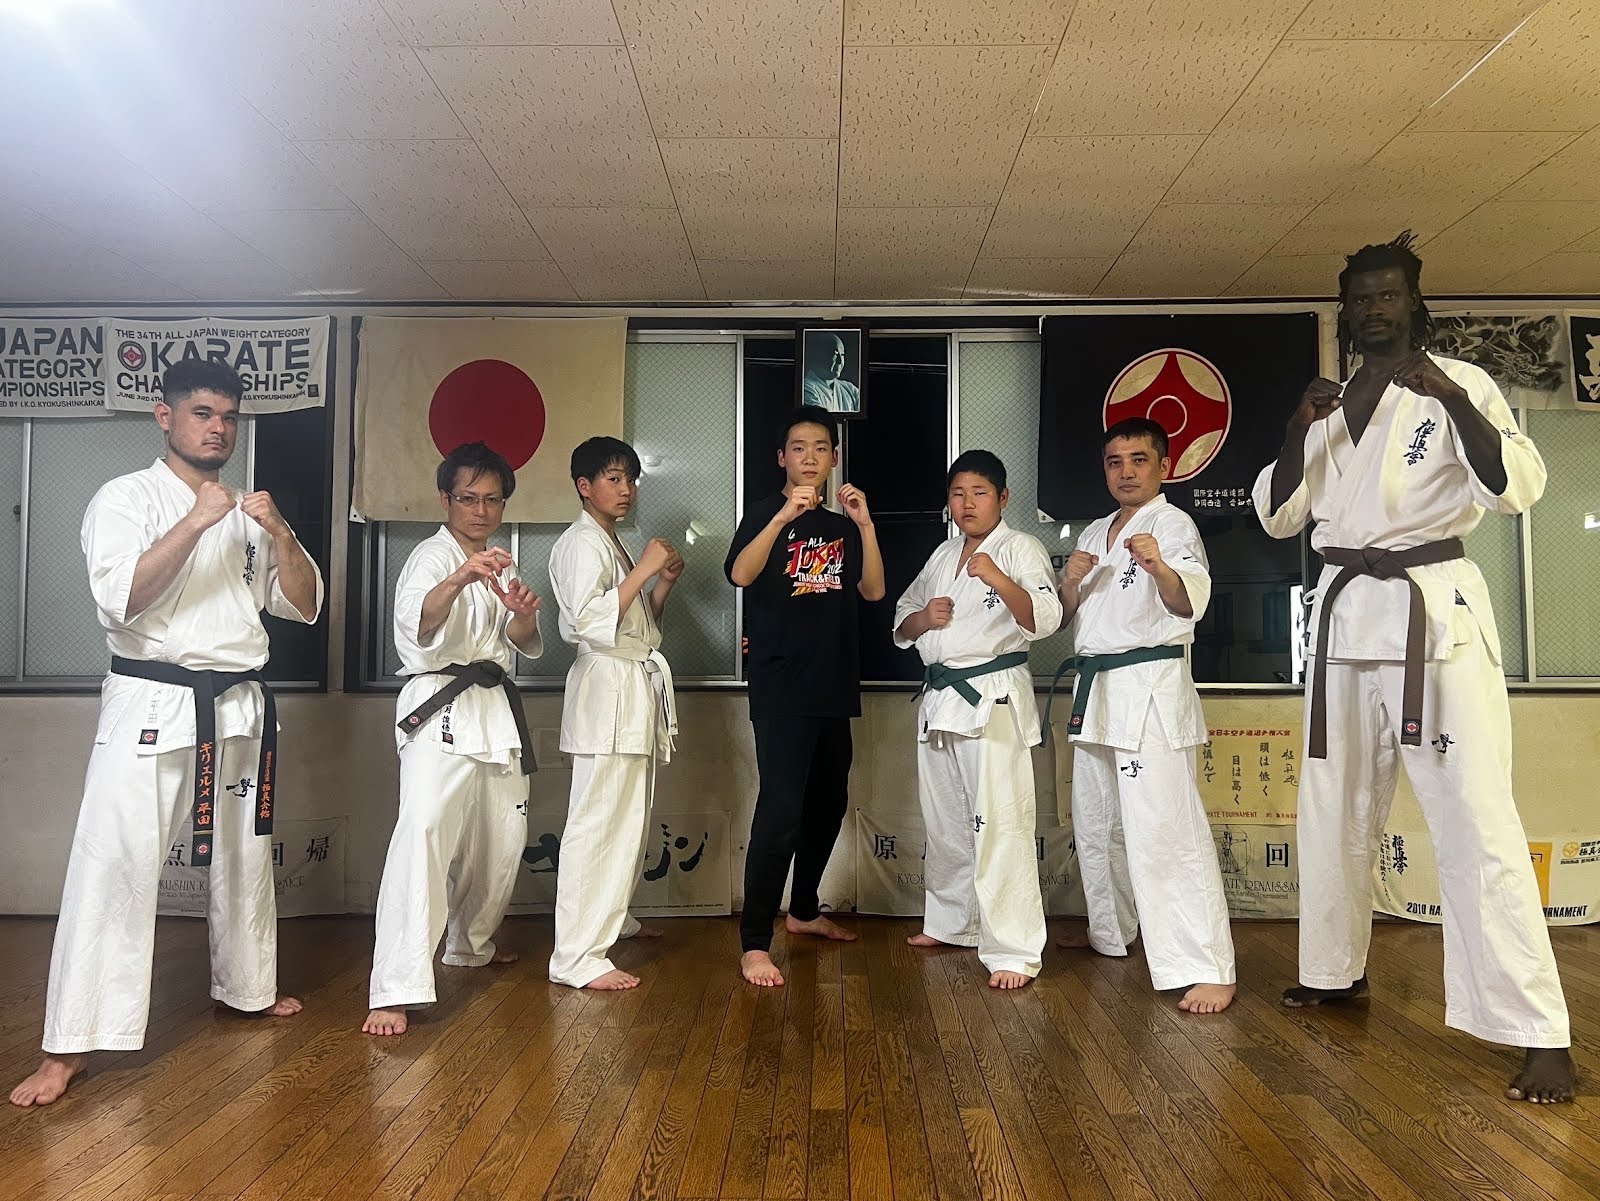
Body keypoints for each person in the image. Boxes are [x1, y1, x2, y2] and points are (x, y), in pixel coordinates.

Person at [1253, 233, 1575, 1102]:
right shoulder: (1327, 403)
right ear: (1345, 309)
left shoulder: (1460, 383)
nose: (1374, 308)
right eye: (1360, 297)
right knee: (1332, 807)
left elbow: (1517, 488)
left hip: (1432, 620)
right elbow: (1279, 514)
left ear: (1414, 303)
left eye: (1388, 293)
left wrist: (1455, 404)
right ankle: (1333, 971)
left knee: (1475, 815)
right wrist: (1295, 427)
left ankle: (1538, 1027)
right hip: (1342, 619)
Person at [10, 359, 322, 1107]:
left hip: (238, 703)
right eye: (203, 413)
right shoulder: (124, 498)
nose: (218, 428)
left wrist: (280, 533)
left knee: (245, 858)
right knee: (113, 864)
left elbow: (306, 604)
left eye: (228, 417)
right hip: (153, 700)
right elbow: (122, 599)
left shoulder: (251, 511)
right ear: (164, 416)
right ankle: (69, 1045)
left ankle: (248, 989)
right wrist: (195, 520)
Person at [1054, 418, 1237, 1014]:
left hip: (1149, 686)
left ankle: (1207, 965)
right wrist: (1069, 582)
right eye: (1115, 461)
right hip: (1097, 688)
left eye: (1139, 459)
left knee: (1166, 828)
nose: (1126, 471)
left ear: (1164, 466)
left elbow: (1187, 603)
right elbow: (1067, 616)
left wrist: (1160, 567)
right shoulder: (1096, 530)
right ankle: (1111, 930)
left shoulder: (1173, 524)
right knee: (1097, 821)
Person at [363, 442, 542, 1036]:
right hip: (440, 701)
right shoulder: (429, 557)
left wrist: (522, 614)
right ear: (446, 500)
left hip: (493, 706)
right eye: (468, 498)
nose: (480, 510)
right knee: (424, 835)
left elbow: (519, 641)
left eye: (492, 499)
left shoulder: (503, 562)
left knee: (501, 835)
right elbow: (416, 626)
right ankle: (396, 985)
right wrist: (462, 575)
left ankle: (470, 943)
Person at [726, 405, 884, 986]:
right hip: (781, 684)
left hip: (833, 682)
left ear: (834, 457)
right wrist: (781, 518)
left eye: (820, 447)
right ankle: (754, 943)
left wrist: (865, 524)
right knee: (780, 811)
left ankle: (804, 909)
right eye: (799, 447)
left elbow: (873, 590)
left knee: (828, 802)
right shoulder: (763, 513)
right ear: (781, 458)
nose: (810, 456)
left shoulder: (844, 524)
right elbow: (740, 575)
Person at [894, 450, 1061, 989]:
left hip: (992, 697)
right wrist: (924, 619)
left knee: (1001, 824)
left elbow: (1046, 618)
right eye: (958, 494)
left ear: (1003, 498)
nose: (967, 504)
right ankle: (952, 922)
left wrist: (997, 578)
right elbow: (903, 619)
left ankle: (1014, 949)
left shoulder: (1020, 548)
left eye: (980, 493)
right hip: (941, 699)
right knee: (946, 822)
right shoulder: (943, 553)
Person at [547, 437, 680, 990]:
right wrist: (645, 567)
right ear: (584, 486)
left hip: (629, 681)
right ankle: (575, 957)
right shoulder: (581, 543)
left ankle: (611, 919)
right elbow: (587, 623)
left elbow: (634, 623)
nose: (625, 489)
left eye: (630, 479)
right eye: (612, 478)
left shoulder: (609, 540)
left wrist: (660, 583)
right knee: (598, 823)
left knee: (626, 821)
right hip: (607, 688)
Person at [802, 333, 861, 413]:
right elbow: (818, 418)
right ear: (818, 355)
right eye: (835, 354)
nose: (840, 361)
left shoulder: (850, 389)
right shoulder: (806, 388)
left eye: (842, 354)